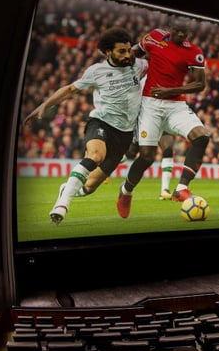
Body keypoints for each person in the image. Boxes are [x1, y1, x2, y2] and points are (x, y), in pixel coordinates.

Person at [23, 27, 148, 224]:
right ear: (108, 52)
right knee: (95, 155)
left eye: (128, 50)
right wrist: (44, 105)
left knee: (89, 187)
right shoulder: (96, 71)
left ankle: (67, 189)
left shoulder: (138, 65)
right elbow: (69, 89)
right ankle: (62, 203)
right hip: (101, 123)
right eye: (122, 51)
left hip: (124, 134)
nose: (127, 55)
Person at [116, 18, 209, 218]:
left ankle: (181, 188)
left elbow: (200, 84)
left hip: (176, 105)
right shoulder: (154, 37)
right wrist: (123, 68)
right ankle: (126, 191)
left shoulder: (194, 52)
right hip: (150, 105)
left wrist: (170, 91)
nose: (181, 35)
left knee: (201, 136)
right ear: (171, 29)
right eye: (178, 31)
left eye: (185, 32)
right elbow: (135, 52)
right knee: (147, 157)